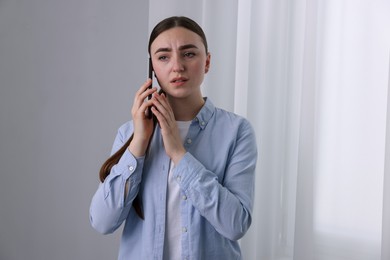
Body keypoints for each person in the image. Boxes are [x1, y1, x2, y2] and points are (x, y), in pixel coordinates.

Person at [89, 16, 258, 260]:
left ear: (207, 61)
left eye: (188, 54)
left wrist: (179, 154)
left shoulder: (237, 132)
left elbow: (235, 225)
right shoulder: (129, 133)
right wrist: (139, 143)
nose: (177, 66)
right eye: (163, 56)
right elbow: (102, 222)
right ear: (153, 68)